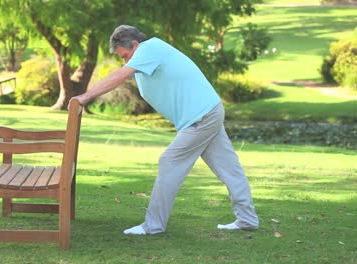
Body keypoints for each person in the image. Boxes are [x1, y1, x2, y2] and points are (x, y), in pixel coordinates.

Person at [72, 25, 259, 235]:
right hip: (208, 111)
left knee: (169, 161)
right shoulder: (147, 56)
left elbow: (118, 77)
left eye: (125, 55)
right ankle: (247, 219)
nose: (125, 61)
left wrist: (84, 97)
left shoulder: (148, 49)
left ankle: (153, 225)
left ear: (134, 44)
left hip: (201, 117)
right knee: (229, 168)